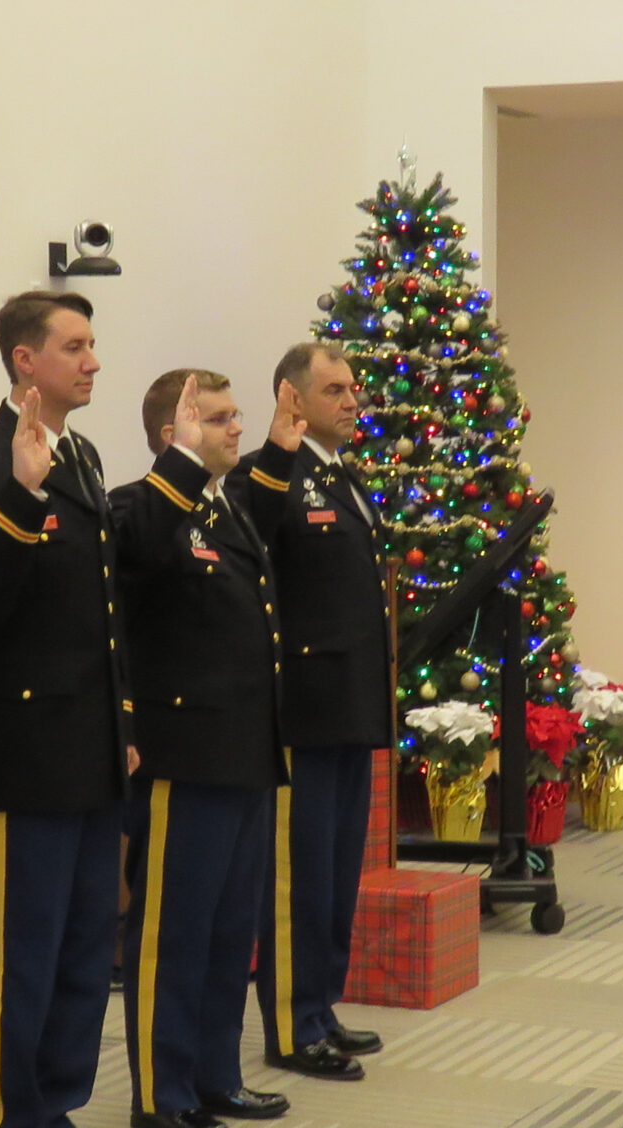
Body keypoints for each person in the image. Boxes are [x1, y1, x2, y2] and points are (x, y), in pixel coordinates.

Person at [0, 291, 147, 1128]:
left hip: (91, 750)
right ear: (25, 361)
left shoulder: (85, 456)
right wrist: (21, 499)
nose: (93, 361)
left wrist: (124, 723)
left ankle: (58, 1121)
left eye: (93, 345)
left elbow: (104, 613)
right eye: (75, 346)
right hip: (21, 755)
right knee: (21, 960)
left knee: (81, 953)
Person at [113, 371, 292, 1128]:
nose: (234, 427)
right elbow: (139, 564)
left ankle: (217, 1072)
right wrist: (179, 468)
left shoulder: (227, 508)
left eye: (234, 414)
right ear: (173, 432)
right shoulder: (138, 509)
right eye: (216, 417)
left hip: (244, 750)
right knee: (174, 932)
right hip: (184, 756)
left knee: (228, 930)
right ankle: (163, 1090)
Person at [240, 343, 391, 1079]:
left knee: (336, 872)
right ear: (292, 399)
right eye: (334, 389)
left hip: (350, 707)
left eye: (353, 387)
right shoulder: (271, 476)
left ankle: (321, 1006)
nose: (352, 399)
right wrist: (277, 450)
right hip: (302, 709)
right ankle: (292, 1025)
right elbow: (255, 545)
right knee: (299, 878)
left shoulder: (344, 476)